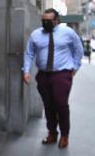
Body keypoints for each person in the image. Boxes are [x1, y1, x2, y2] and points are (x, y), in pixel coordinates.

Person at [22, 8, 84, 149]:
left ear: (57, 20)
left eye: (48, 20)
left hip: (61, 74)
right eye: (43, 20)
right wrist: (26, 71)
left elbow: (78, 49)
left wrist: (75, 67)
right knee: (48, 105)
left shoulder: (68, 33)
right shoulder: (36, 34)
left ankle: (64, 135)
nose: (45, 22)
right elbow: (29, 53)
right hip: (43, 75)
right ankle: (52, 133)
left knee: (61, 104)